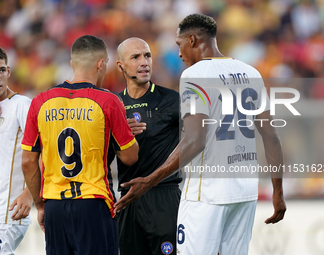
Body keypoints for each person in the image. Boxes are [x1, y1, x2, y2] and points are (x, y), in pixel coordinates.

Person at [114, 14, 287, 255]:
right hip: (244, 192)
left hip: (206, 193)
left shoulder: (195, 74)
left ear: (192, 40)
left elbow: (194, 140)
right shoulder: (251, 72)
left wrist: (150, 179)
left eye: (179, 44)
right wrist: (278, 191)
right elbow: (271, 136)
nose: (179, 53)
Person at [21, 35, 139, 255]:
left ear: (71, 63)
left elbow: (28, 161)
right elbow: (130, 157)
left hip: (54, 204)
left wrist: (40, 205)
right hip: (93, 203)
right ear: (101, 64)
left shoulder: (41, 100)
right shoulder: (109, 101)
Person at [109, 37, 181, 255]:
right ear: (120, 66)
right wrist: (117, 136)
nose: (144, 62)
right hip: (128, 200)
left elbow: (197, 142)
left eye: (147, 55)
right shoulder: (113, 104)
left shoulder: (172, 100)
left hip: (164, 197)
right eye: (136, 57)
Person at [0, 45, 32, 254]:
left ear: (9, 72)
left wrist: (29, 193)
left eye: (1, 70)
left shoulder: (22, 105)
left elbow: (44, 151)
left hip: (8, 214)